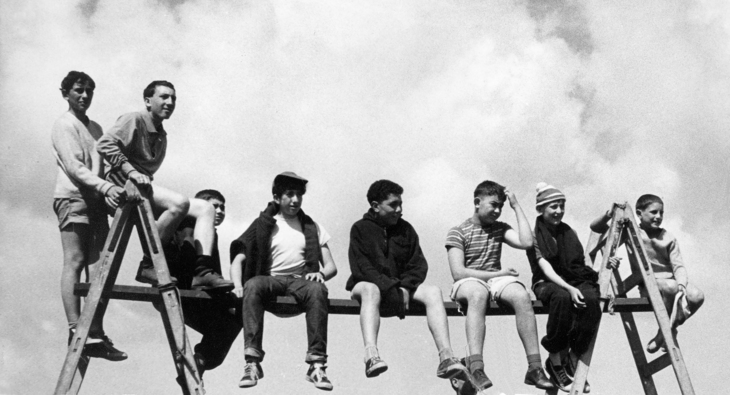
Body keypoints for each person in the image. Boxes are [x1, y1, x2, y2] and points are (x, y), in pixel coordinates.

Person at [96, 80, 232, 292]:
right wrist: (131, 172)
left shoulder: (161, 136)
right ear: (148, 101)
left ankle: (202, 271)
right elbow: (104, 144)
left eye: (173, 98)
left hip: (142, 188)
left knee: (206, 208)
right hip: (121, 185)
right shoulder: (134, 119)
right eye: (164, 97)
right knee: (179, 203)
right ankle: (148, 264)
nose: (170, 102)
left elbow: (148, 174)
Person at [347, 179, 468, 380]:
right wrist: (392, 287)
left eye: (401, 204)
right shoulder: (360, 229)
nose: (400, 209)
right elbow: (362, 268)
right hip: (369, 288)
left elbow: (418, 264)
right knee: (370, 289)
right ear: (376, 206)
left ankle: (446, 357)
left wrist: (404, 287)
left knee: (433, 292)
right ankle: (371, 356)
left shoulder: (406, 229)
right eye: (393, 205)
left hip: (400, 290)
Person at [230, 172, 338, 391]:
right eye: (289, 194)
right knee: (253, 284)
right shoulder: (264, 223)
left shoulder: (311, 226)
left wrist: (321, 274)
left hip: (301, 281)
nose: (295, 200)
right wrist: (237, 284)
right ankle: (252, 362)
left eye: (299, 195)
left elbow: (331, 266)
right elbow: (238, 257)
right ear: (277, 198)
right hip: (271, 280)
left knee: (318, 289)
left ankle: (317, 365)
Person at [446, 180, 553, 391]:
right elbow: (458, 272)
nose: (497, 210)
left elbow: (526, 242)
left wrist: (516, 206)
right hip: (469, 281)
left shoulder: (499, 229)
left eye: (501, 207)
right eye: (493, 205)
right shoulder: (458, 231)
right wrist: (498, 273)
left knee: (521, 295)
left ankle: (535, 367)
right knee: (478, 294)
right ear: (477, 202)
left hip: (495, 280)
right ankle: (476, 367)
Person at [52, 71, 127, 361]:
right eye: (78, 90)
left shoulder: (95, 127)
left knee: (100, 267)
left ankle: (93, 330)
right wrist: (106, 186)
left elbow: (103, 165)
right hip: (73, 198)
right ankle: (75, 329)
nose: (84, 96)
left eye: (89, 91)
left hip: (96, 201)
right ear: (66, 93)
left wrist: (112, 187)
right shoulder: (63, 125)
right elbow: (75, 168)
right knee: (75, 259)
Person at [527, 183, 619, 392]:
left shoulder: (569, 232)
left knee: (592, 300)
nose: (559, 211)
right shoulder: (533, 236)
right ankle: (555, 360)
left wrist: (607, 264)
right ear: (541, 209)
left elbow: (580, 264)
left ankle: (574, 356)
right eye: (553, 207)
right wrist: (569, 288)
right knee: (561, 298)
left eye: (561, 206)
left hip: (574, 278)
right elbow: (546, 268)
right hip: (546, 281)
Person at [591, 194, 704, 354]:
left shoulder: (668, 238)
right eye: (653, 212)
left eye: (661, 213)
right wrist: (609, 213)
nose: (658, 217)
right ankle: (666, 331)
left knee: (697, 296)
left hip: (670, 282)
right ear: (639, 213)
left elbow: (679, 266)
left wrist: (681, 285)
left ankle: (666, 330)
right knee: (671, 287)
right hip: (648, 284)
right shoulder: (632, 232)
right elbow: (595, 228)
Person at [159, 189, 242, 388]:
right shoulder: (186, 227)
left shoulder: (209, 234)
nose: (220, 211)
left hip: (197, 296)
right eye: (215, 206)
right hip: (182, 293)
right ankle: (202, 359)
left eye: (223, 207)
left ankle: (200, 362)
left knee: (239, 312)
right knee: (232, 315)